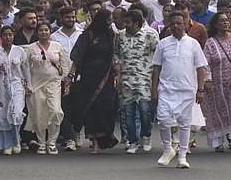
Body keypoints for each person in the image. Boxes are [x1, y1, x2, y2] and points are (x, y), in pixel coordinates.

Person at [151, 11, 208, 169]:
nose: (175, 26)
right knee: (163, 120)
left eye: (179, 23)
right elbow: (156, 68)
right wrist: (154, 91)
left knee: (184, 124)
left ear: (185, 24)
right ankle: (168, 149)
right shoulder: (163, 44)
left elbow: (200, 68)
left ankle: (182, 156)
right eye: (173, 23)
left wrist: (201, 89)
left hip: (187, 90)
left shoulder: (193, 44)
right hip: (166, 89)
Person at [70, 9, 119, 154]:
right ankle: (94, 141)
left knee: (106, 107)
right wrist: (71, 74)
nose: (110, 24)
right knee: (91, 107)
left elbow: (114, 56)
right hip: (89, 76)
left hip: (106, 77)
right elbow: (78, 56)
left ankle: (105, 137)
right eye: (108, 21)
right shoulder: (87, 35)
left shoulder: (111, 36)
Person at [114, 10, 159, 154]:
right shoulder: (120, 36)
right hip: (126, 79)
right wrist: (117, 68)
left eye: (128, 22)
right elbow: (116, 53)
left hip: (145, 79)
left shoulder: (150, 35)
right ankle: (132, 141)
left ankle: (146, 136)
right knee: (128, 112)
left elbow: (158, 56)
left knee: (146, 110)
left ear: (137, 23)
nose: (125, 25)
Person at [25, 22, 69, 155]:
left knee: (55, 111)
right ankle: (41, 143)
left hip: (54, 84)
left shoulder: (57, 46)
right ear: (37, 32)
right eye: (41, 30)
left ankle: (52, 142)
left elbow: (64, 65)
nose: (44, 32)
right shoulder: (31, 48)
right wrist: (27, 84)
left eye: (46, 30)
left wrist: (65, 80)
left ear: (50, 32)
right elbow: (26, 67)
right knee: (38, 113)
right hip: (36, 84)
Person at [0, 26, 32, 155]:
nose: (8, 37)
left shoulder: (20, 51)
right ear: (1, 37)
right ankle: (6, 144)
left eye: (10, 35)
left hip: (16, 85)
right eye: (5, 35)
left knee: (16, 113)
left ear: (13, 36)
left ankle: (16, 141)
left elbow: (26, 69)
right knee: (2, 115)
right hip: (0, 87)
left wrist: (29, 85)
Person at [50, 6, 82, 151]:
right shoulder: (54, 37)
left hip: (80, 77)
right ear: (61, 18)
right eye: (67, 17)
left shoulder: (82, 34)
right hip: (61, 79)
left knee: (78, 108)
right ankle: (69, 138)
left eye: (72, 17)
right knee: (64, 108)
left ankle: (77, 132)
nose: (70, 20)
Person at [202, 12, 231, 151]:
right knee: (218, 111)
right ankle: (218, 141)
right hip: (218, 86)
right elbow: (205, 63)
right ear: (215, 24)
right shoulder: (211, 43)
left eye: (226, 20)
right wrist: (207, 80)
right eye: (222, 21)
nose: (225, 23)